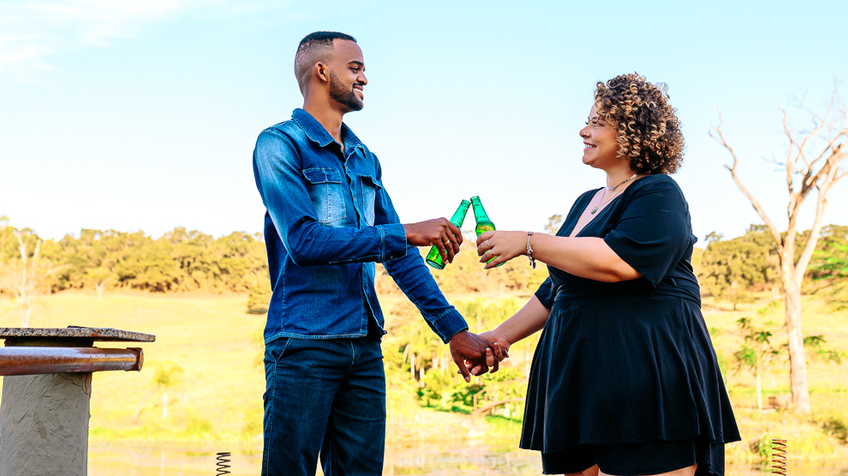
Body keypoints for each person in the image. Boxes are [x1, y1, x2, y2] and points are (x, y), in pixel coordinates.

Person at [252, 31, 498, 476]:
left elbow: (400, 255)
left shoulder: (366, 158)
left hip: (365, 347)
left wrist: (454, 331)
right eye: (356, 67)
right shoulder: (278, 145)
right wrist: (404, 232)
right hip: (304, 344)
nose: (365, 76)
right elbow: (305, 242)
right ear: (322, 72)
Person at [475, 74, 740, 476]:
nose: (584, 130)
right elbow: (558, 288)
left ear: (633, 134)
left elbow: (620, 262)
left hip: (645, 373)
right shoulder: (585, 202)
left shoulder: (659, 193)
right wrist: (499, 337)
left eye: (597, 122)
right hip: (579, 375)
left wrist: (529, 241)